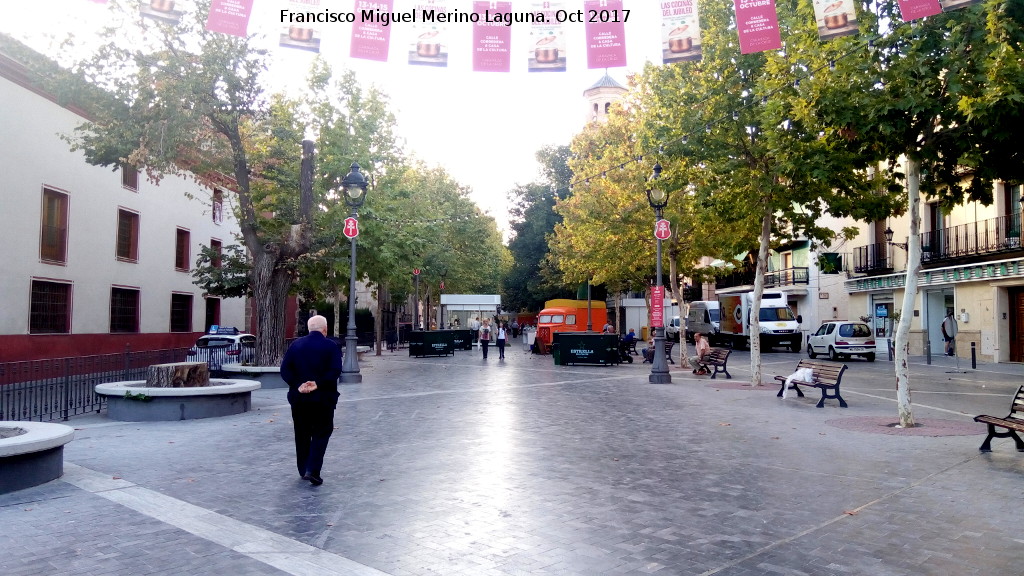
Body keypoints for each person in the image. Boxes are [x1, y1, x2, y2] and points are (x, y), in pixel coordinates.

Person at [280, 315, 342, 487]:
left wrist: (298, 384)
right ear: (325, 329)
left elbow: (285, 369)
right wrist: (317, 383)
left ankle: (303, 468)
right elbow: (335, 370)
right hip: (323, 398)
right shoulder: (331, 346)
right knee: (322, 432)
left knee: (302, 433)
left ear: (308, 329)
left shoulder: (295, 345)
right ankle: (313, 470)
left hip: (299, 398)